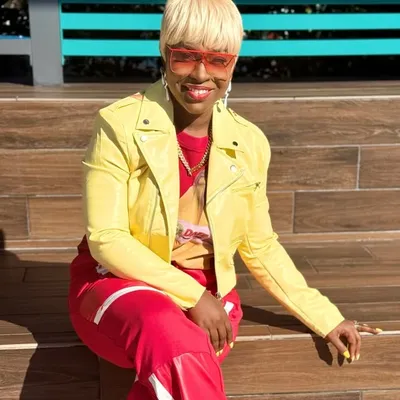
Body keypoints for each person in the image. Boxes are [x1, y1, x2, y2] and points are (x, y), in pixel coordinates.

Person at [68, 0, 382, 399]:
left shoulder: (248, 143)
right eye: (185, 56)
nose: (201, 74)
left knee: (180, 355)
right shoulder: (120, 125)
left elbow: (259, 245)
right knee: (169, 334)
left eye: (218, 60)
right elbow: (107, 238)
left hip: (211, 297)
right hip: (119, 286)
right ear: (164, 53)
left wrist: (325, 316)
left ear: (233, 63)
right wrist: (193, 296)